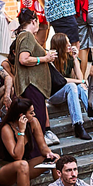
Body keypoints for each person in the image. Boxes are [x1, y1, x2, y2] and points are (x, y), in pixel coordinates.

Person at [0, 97, 59, 186]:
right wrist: (21, 131)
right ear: (22, 115)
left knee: (57, 160)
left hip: (24, 166)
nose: (34, 114)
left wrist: (49, 153)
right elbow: (17, 156)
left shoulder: (33, 122)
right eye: (31, 112)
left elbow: (43, 146)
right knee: (22, 164)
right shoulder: (6, 128)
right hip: (2, 169)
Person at [12, 8, 59, 146]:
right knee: (36, 123)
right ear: (34, 21)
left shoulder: (22, 36)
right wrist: (45, 58)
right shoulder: (27, 36)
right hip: (32, 85)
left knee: (36, 122)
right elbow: (23, 59)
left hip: (32, 85)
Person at [48, 33, 91, 140]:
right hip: (53, 94)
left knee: (80, 87)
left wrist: (75, 58)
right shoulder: (51, 60)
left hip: (67, 91)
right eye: (66, 42)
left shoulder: (68, 57)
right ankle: (78, 124)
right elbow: (62, 81)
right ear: (60, 45)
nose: (69, 45)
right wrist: (81, 81)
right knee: (72, 86)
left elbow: (80, 78)